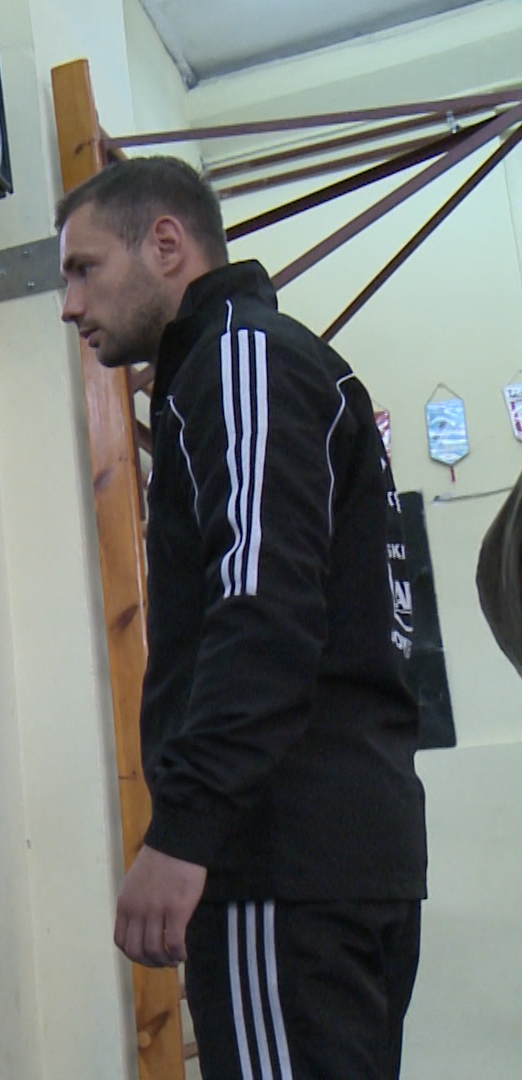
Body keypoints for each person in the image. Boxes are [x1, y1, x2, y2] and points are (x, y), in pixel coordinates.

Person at [57, 157, 426, 1078]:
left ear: (166, 244)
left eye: (84, 269)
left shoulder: (240, 360)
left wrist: (186, 830)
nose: (70, 304)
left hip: (281, 858)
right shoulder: (240, 371)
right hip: (334, 856)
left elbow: (264, 610)